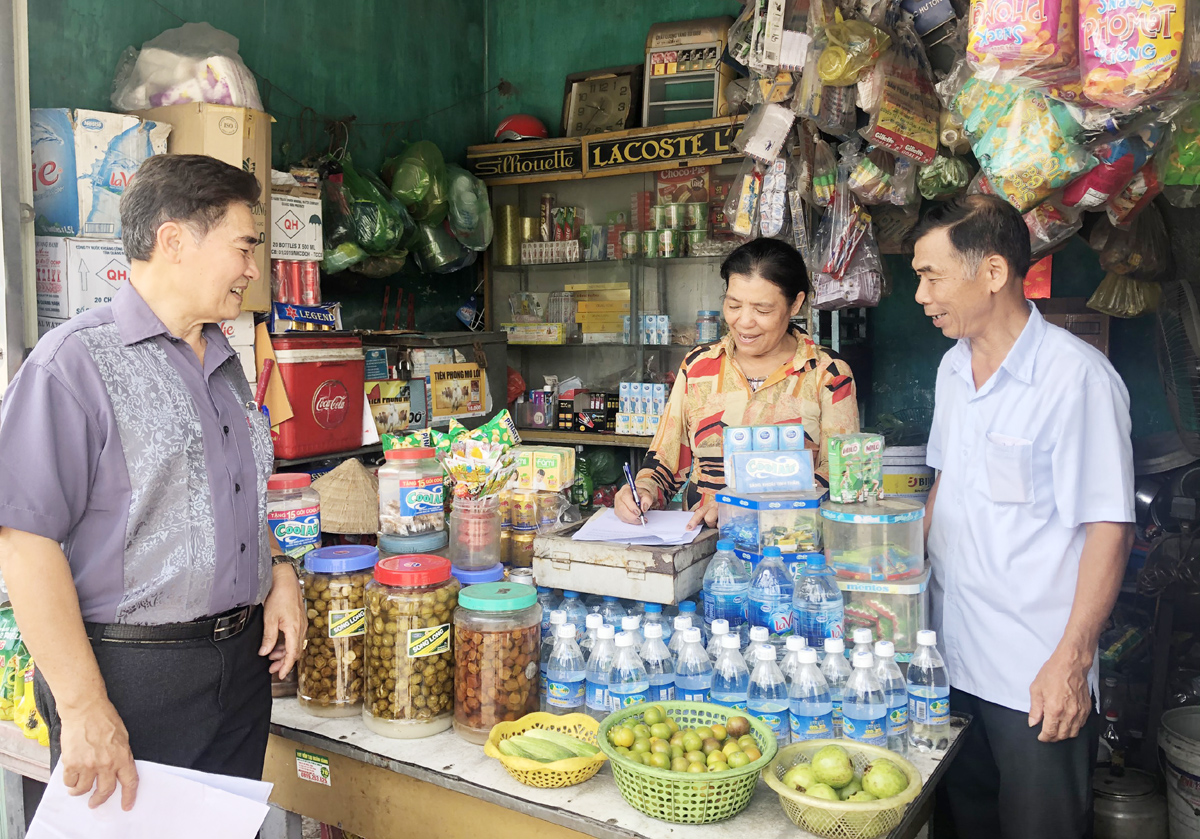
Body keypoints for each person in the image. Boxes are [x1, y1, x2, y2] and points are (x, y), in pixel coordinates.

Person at [0, 154, 307, 810]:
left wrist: (278, 569)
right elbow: (25, 542)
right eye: (244, 246)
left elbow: (236, 495)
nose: (254, 268)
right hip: (133, 678)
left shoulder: (226, 361)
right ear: (175, 241)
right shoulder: (72, 367)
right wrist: (84, 707)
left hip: (237, 674)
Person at [912, 195, 1134, 839]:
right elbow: (945, 486)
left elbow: (1108, 528)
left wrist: (1072, 660)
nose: (922, 295)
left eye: (932, 276)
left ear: (993, 271)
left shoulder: (1076, 380)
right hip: (951, 662)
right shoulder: (952, 368)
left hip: (1034, 674)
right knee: (962, 824)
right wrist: (898, 583)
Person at [614, 238, 859, 528]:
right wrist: (642, 490)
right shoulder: (698, 366)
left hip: (792, 545)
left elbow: (844, 474)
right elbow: (666, 458)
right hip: (700, 545)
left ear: (796, 304)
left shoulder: (828, 373)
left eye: (762, 310)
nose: (744, 322)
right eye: (733, 305)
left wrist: (738, 507)